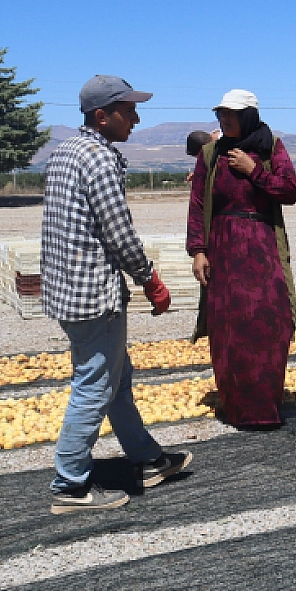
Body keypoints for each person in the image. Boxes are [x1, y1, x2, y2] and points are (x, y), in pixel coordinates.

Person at [40, 75, 193, 514]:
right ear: (101, 116)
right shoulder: (99, 159)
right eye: (128, 111)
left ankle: (146, 458)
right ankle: (70, 485)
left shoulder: (66, 151)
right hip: (93, 293)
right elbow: (118, 232)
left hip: (68, 288)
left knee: (115, 378)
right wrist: (149, 279)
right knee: (93, 385)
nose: (136, 118)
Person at [187, 88, 296, 428]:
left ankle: (264, 407)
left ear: (248, 116)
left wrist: (254, 170)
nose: (224, 119)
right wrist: (198, 250)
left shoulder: (271, 149)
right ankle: (236, 406)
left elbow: (290, 191)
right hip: (223, 247)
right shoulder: (210, 153)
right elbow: (197, 205)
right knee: (228, 327)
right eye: (221, 113)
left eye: (232, 114)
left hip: (261, 246)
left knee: (266, 323)